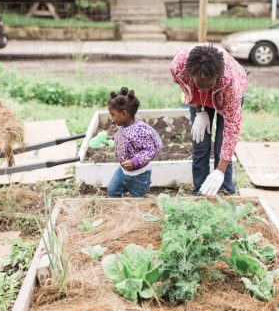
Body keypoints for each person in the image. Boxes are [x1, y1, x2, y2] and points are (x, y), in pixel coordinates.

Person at [170, 44, 249, 196]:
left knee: (221, 145)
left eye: (208, 85)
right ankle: (200, 191)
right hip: (199, 101)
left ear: (217, 77)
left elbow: (231, 132)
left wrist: (219, 171)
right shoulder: (178, 66)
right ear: (190, 74)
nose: (203, 90)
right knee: (200, 144)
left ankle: (225, 190)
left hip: (225, 96)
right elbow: (186, 89)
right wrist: (199, 112)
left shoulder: (231, 83)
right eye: (200, 85)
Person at [106, 87, 162, 198]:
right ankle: (119, 211)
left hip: (139, 175)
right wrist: (115, 138)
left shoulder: (139, 131)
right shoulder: (124, 125)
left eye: (112, 114)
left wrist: (135, 161)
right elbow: (124, 135)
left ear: (124, 114)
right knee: (112, 191)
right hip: (122, 171)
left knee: (138, 200)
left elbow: (150, 149)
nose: (111, 118)